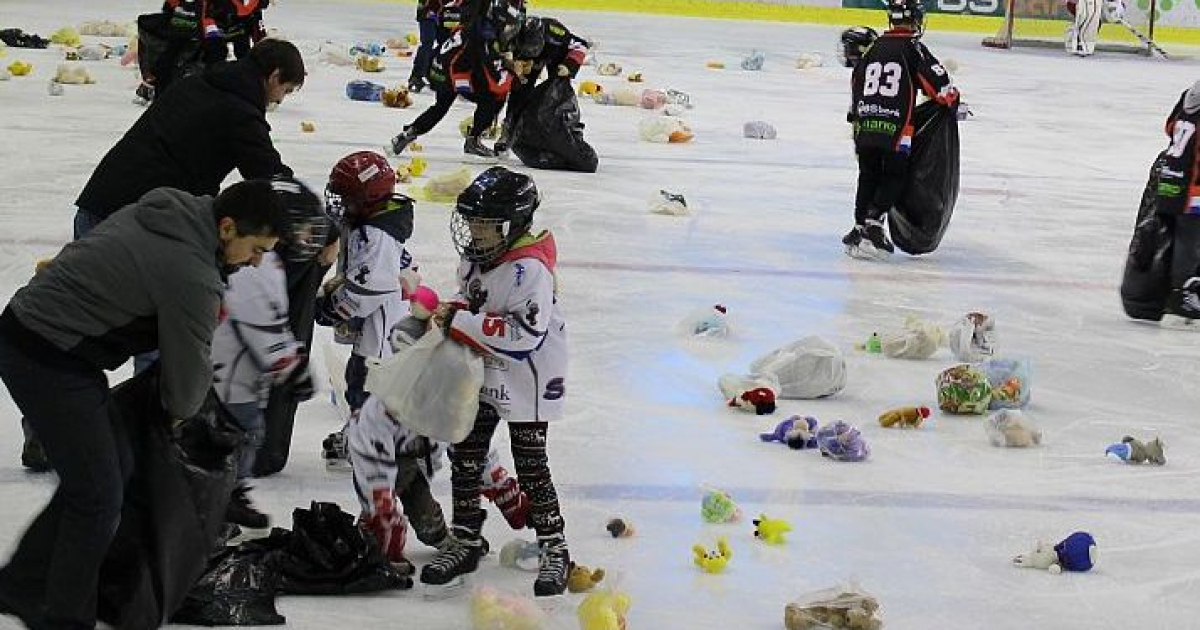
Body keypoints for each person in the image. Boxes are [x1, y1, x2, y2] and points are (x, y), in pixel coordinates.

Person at [0, 179, 326, 630]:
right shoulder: (192, 273)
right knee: (97, 495)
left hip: (47, 340)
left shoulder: (180, 212)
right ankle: (63, 619)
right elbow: (186, 391)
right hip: (44, 357)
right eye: (255, 248)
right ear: (227, 227)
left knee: (111, 466)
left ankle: (23, 583)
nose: (256, 261)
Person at [420, 166, 570, 597]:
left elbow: (524, 336)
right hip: (484, 367)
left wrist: (460, 319)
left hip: (528, 376)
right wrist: (452, 312)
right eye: (471, 222)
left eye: (485, 224)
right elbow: (473, 301)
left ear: (514, 223)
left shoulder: (530, 270)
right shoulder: (478, 256)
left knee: (530, 463)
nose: (474, 232)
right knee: (465, 449)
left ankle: (554, 545)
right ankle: (466, 537)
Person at [348, 285, 531, 574]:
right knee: (384, 516)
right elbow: (370, 458)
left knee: (429, 526)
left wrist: (503, 490)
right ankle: (373, 527)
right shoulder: (381, 410)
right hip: (391, 460)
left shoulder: (444, 394)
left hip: (418, 461)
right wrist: (382, 514)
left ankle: (428, 527)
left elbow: (468, 446)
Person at [76, 37, 304, 236]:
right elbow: (268, 173)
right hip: (129, 220)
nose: (281, 100)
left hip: (100, 201)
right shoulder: (239, 111)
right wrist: (309, 214)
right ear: (274, 76)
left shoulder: (198, 82)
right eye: (286, 90)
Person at [212, 180, 325, 528]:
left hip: (235, 375)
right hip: (228, 379)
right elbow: (261, 323)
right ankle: (217, 510)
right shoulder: (255, 267)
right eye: (303, 230)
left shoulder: (265, 259)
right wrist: (289, 367)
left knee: (240, 437)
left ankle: (224, 499)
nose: (309, 239)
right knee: (240, 437)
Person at [315, 152, 420, 469]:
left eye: (345, 196)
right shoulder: (375, 224)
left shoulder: (375, 234)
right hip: (382, 321)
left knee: (366, 381)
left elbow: (366, 290)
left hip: (383, 326)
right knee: (362, 379)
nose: (338, 202)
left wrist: (331, 307)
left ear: (366, 198)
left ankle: (371, 442)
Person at [843, 0, 959, 260]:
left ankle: (859, 226)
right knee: (896, 175)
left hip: (865, 126)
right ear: (916, 19)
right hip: (896, 127)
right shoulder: (913, 48)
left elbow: (856, 83)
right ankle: (873, 225)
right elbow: (940, 88)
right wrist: (953, 100)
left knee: (868, 173)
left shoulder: (872, 48)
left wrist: (859, 120)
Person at [389, 0, 526, 158]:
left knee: (440, 106)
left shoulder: (479, 24)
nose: (510, 31)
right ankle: (473, 141)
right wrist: (513, 73)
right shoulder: (484, 37)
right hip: (452, 74)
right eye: (509, 26)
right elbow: (490, 78)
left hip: (438, 67)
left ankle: (406, 135)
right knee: (493, 97)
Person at [496, 15, 590, 154]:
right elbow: (497, 56)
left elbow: (581, 45)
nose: (532, 51)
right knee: (520, 91)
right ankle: (509, 129)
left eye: (534, 47)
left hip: (555, 55)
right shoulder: (512, 34)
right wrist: (512, 64)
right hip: (526, 59)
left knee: (558, 91)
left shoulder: (555, 32)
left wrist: (569, 65)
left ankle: (565, 128)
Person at [1154, 80, 1200, 329]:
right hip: (1192, 188)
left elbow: (1170, 127)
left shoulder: (1189, 95)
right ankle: (1182, 294)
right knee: (1189, 240)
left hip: (1171, 180)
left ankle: (1177, 289)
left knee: (1184, 238)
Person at [409, 0, 442, 92]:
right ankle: (416, 77)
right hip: (428, 11)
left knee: (446, 44)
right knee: (427, 43)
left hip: (448, 11)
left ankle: (435, 74)